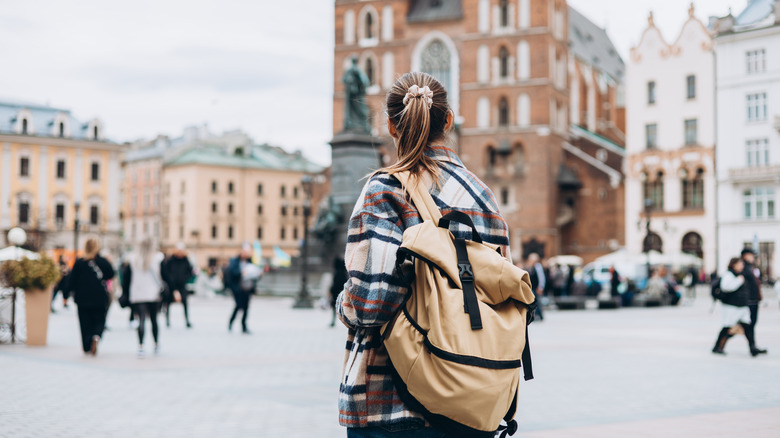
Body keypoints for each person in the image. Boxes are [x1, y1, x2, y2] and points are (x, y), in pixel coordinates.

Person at [337, 72, 515, 435]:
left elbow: (370, 304)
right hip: (471, 400)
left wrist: (342, 302)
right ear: (447, 120)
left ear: (390, 125)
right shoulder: (484, 197)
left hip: (391, 406)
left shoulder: (386, 188)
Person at [712, 257, 767, 356]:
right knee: (727, 326)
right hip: (731, 306)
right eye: (740, 264)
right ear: (734, 265)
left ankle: (752, 347)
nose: (742, 266)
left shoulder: (740, 275)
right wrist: (738, 281)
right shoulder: (729, 275)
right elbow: (726, 287)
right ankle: (717, 347)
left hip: (741, 306)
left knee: (748, 327)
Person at [69, 239, 114, 356]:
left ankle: (86, 346)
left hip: (82, 298)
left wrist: (65, 294)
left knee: (84, 323)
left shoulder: (79, 262)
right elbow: (111, 274)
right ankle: (97, 336)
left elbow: (71, 280)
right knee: (100, 320)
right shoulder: (103, 262)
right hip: (100, 297)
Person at [121, 238, 164, 357]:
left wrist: (126, 293)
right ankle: (156, 344)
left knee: (141, 320)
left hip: (138, 293)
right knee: (154, 320)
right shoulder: (158, 258)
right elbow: (164, 275)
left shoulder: (132, 258)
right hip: (154, 293)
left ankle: (141, 346)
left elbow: (126, 278)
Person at [226, 243, 261, 334]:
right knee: (238, 306)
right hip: (238, 288)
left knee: (246, 308)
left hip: (247, 288)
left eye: (248, 252)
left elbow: (254, 274)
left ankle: (244, 326)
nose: (246, 254)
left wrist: (258, 275)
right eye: (245, 252)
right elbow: (232, 272)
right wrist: (241, 272)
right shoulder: (235, 261)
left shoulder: (250, 262)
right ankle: (231, 322)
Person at [162, 242, 195, 328]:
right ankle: (167, 320)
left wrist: (185, 278)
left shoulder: (185, 260)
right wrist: (170, 281)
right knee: (168, 303)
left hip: (182, 285)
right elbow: (166, 272)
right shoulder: (171, 260)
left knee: (185, 303)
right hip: (171, 285)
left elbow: (190, 271)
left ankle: (187, 320)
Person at [741, 248, 765, 350]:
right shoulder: (744, 267)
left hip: (753, 300)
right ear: (745, 255)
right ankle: (752, 347)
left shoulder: (750, 267)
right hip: (749, 300)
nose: (753, 257)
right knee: (747, 324)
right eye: (751, 255)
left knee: (749, 325)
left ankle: (753, 346)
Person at [329, 257, 348, 327]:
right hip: (342, 292)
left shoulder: (337, 273)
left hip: (336, 293)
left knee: (335, 308)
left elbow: (335, 284)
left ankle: (333, 321)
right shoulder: (344, 273)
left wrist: (331, 290)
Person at [526, 253, 545, 321]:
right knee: (534, 301)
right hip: (532, 287)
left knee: (537, 301)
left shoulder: (538, 267)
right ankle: (536, 315)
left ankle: (539, 315)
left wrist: (540, 287)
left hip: (536, 287)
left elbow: (541, 278)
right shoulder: (530, 266)